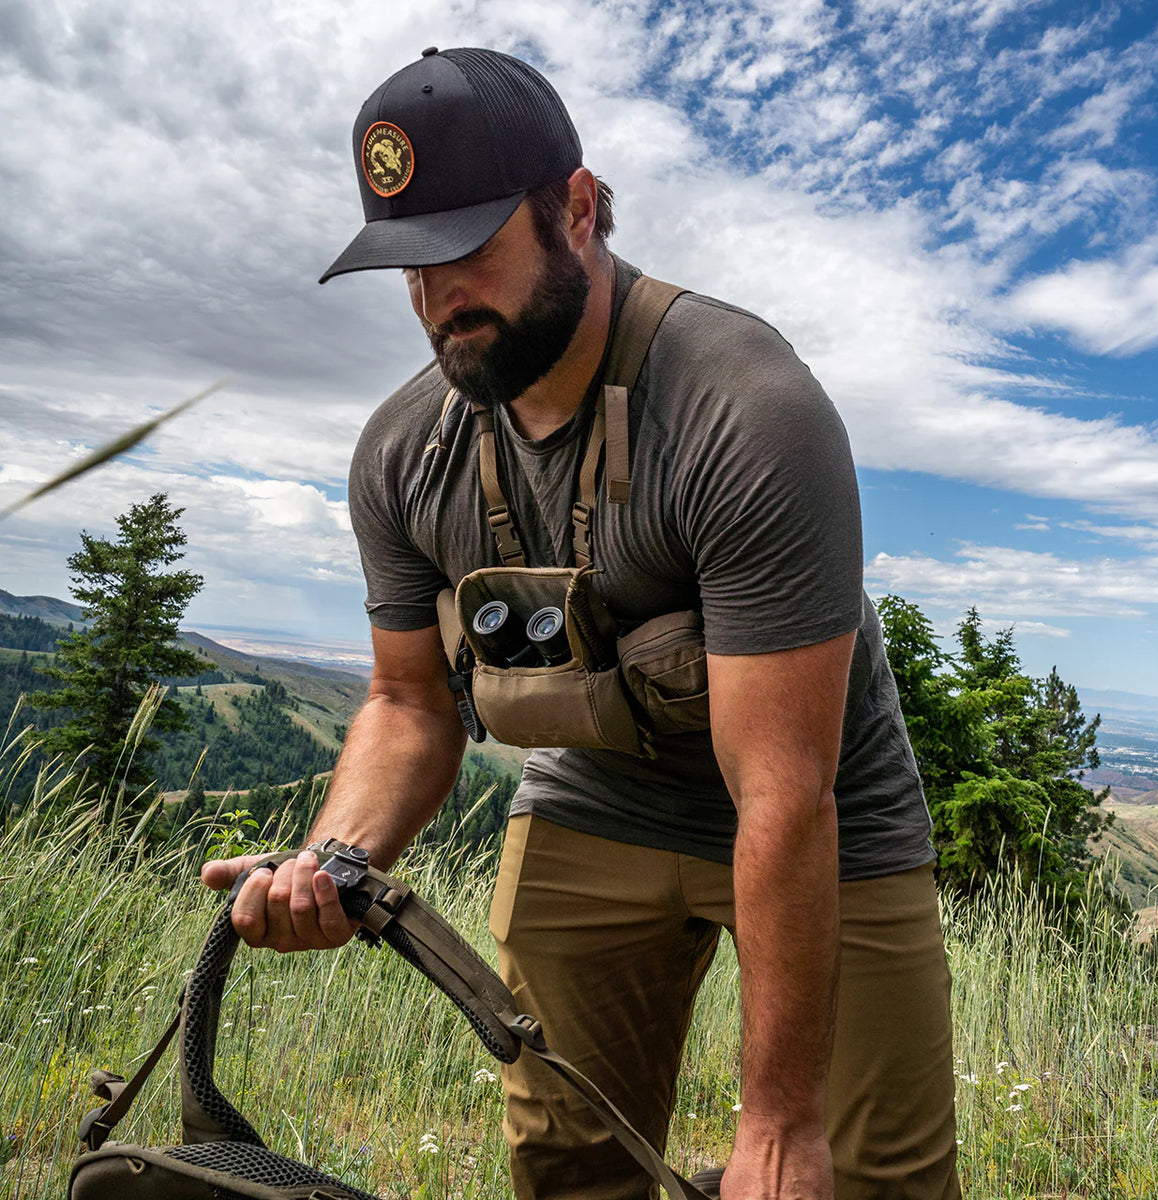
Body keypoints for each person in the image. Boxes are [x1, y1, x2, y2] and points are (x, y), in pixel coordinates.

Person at [202, 46, 960, 1200]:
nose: (437, 296)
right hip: (595, 798)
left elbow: (783, 789)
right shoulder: (404, 457)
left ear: (581, 207)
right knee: (568, 1168)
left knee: (867, 1180)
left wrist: (780, 1122)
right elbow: (409, 703)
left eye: (467, 246)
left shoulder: (746, 409)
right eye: (408, 264)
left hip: (820, 816)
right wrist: (337, 855)